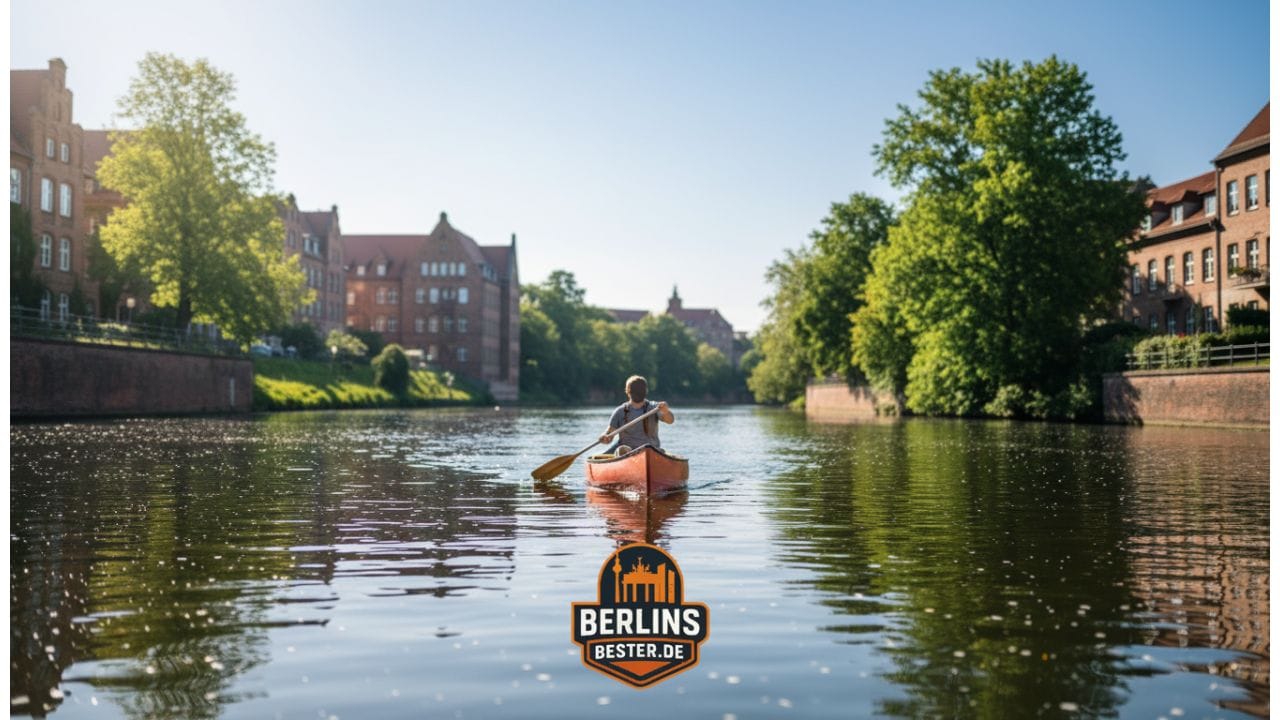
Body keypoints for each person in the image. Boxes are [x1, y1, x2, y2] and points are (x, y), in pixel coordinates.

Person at [599, 375, 674, 455]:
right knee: (622, 449)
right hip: (627, 452)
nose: (638, 392)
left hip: (651, 450)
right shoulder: (619, 411)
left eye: (640, 389)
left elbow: (670, 420)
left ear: (646, 391)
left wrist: (666, 411)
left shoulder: (655, 407)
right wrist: (604, 437)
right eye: (635, 390)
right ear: (627, 391)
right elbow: (609, 434)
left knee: (654, 450)